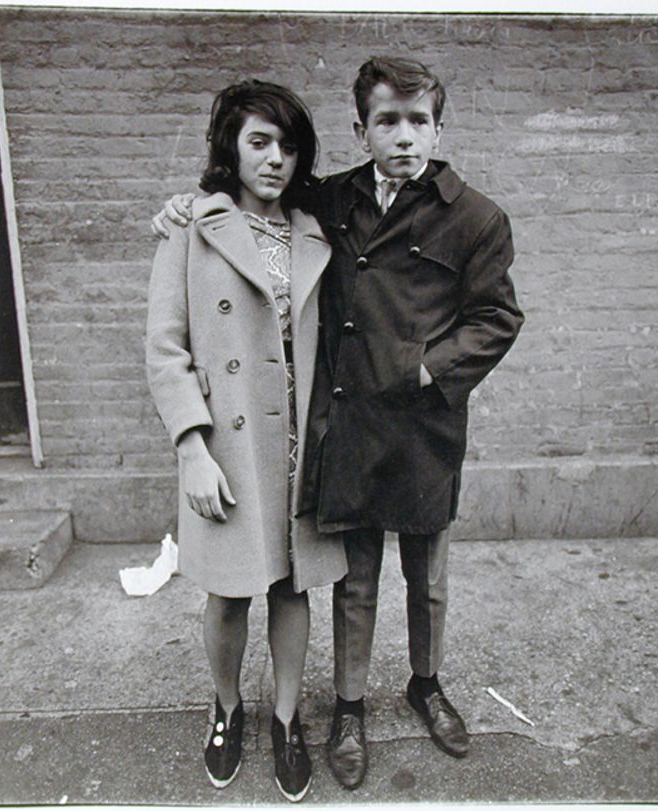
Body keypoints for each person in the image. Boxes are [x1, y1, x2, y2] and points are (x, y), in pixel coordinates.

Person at [152, 56, 524, 791]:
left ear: (439, 128)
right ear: (361, 130)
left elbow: (498, 316)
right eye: (387, 121)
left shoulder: (472, 216)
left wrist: (429, 368)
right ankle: (332, 708)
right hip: (331, 427)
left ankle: (419, 686)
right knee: (342, 581)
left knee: (424, 577)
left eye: (419, 121)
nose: (405, 137)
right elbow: (188, 307)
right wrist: (184, 204)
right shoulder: (332, 200)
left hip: (416, 427)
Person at [146, 79, 346, 803]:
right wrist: (192, 448)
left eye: (288, 146)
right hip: (226, 447)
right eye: (259, 141)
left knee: (293, 587)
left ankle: (287, 718)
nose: (276, 159)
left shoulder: (315, 229)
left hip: (300, 444)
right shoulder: (191, 228)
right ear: (229, 144)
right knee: (230, 593)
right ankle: (227, 707)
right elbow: (165, 348)